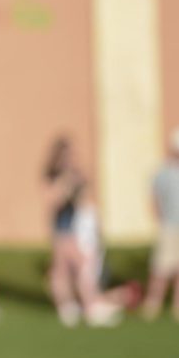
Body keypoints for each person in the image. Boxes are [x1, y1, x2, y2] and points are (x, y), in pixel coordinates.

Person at [43, 137, 121, 327]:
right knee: (68, 267)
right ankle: (83, 305)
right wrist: (66, 184)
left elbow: (85, 198)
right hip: (62, 228)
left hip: (74, 227)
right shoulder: (54, 175)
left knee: (70, 268)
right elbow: (53, 200)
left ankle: (74, 306)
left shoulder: (75, 175)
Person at [142, 127, 179, 323]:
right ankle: (152, 306)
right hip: (169, 227)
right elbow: (155, 198)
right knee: (161, 269)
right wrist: (160, 219)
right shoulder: (163, 171)